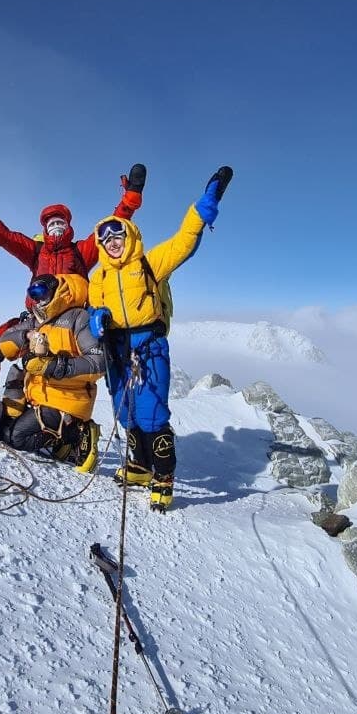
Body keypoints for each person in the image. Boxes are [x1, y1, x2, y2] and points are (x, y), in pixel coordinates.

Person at [89, 166, 232, 511]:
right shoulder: (98, 278)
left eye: (117, 236)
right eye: (106, 240)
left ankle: (163, 474)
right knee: (126, 414)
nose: (113, 243)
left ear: (129, 236)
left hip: (148, 346)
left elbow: (184, 242)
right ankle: (139, 466)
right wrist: (97, 320)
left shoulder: (150, 262)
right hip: (117, 351)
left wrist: (202, 207)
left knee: (152, 414)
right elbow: (93, 309)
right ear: (100, 245)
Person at [0, 165, 146, 396]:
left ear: (69, 227)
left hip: (71, 325)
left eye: (61, 223)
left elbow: (111, 226)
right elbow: (3, 235)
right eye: (52, 224)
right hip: (35, 321)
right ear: (45, 229)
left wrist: (131, 197)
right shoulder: (36, 251)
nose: (57, 227)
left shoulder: (81, 251)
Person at [0, 273, 104, 473]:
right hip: (38, 396)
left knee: (14, 437)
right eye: (33, 293)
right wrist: (26, 335)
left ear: (56, 290)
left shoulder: (78, 318)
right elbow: (6, 342)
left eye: (41, 292)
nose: (37, 298)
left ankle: (77, 432)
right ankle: (62, 441)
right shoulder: (37, 319)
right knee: (1, 425)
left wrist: (54, 366)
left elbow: (98, 363)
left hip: (66, 399)